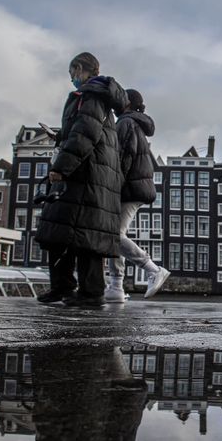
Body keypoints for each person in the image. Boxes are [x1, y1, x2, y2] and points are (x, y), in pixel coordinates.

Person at [35, 52, 126, 307]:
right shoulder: (97, 97)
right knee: (70, 232)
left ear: (80, 69)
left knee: (81, 235)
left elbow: (86, 133)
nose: (72, 78)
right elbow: (83, 128)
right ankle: (66, 287)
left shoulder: (91, 95)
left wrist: (61, 167)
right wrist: (61, 135)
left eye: (72, 73)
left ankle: (89, 292)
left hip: (85, 176)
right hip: (92, 175)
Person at [105, 88, 171, 303]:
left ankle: (152, 269)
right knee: (113, 234)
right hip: (135, 187)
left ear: (126, 103)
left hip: (129, 188)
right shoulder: (134, 123)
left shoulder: (125, 123)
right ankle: (115, 285)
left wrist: (112, 185)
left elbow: (122, 158)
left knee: (114, 234)